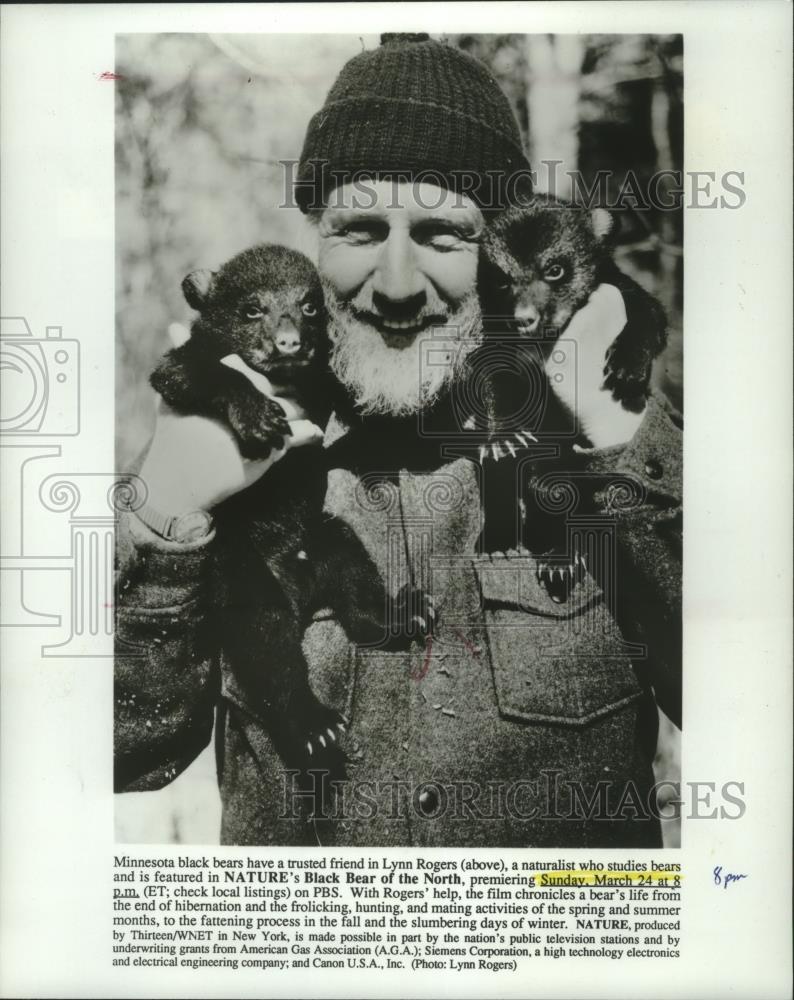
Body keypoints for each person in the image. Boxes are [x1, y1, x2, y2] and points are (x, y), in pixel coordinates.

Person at [114, 34, 681, 847]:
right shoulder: (230, 442)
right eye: (358, 229)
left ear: (499, 257)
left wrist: (621, 442)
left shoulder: (596, 437)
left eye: (444, 236)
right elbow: (117, 752)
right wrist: (165, 516)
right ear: (313, 239)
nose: (398, 285)